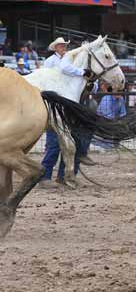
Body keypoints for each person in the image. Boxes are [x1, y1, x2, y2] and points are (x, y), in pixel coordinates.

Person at [40, 37, 95, 187]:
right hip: (57, 104)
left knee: (68, 142)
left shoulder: (70, 60)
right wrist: (82, 71)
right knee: (55, 144)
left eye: (65, 45)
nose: (64, 47)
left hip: (69, 104)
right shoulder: (52, 61)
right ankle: (46, 176)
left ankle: (63, 176)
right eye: (61, 45)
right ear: (56, 47)